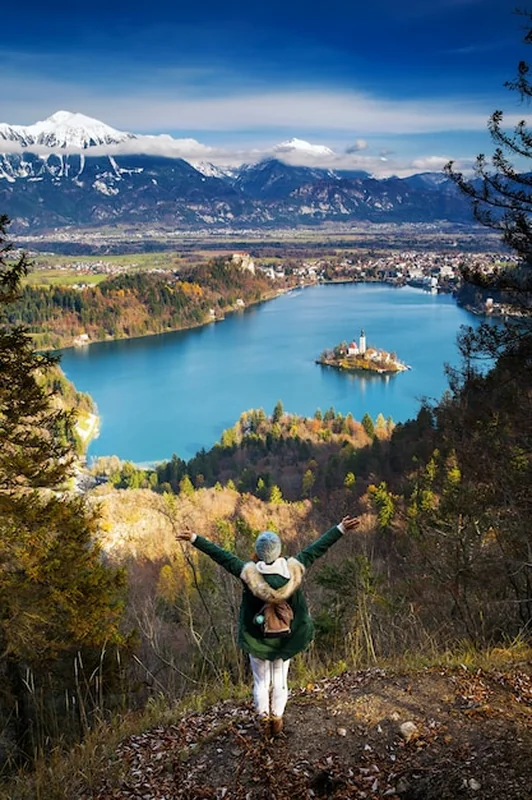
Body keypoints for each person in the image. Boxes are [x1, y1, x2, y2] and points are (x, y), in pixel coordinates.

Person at [176, 515, 360, 737]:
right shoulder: (293, 569)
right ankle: (278, 724)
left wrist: (194, 538)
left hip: (258, 638)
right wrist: (340, 528)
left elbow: (221, 556)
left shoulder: (248, 574)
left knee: (261, 683)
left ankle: (264, 726)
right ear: (279, 551)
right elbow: (317, 548)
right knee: (280, 681)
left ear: (258, 552)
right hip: (285, 637)